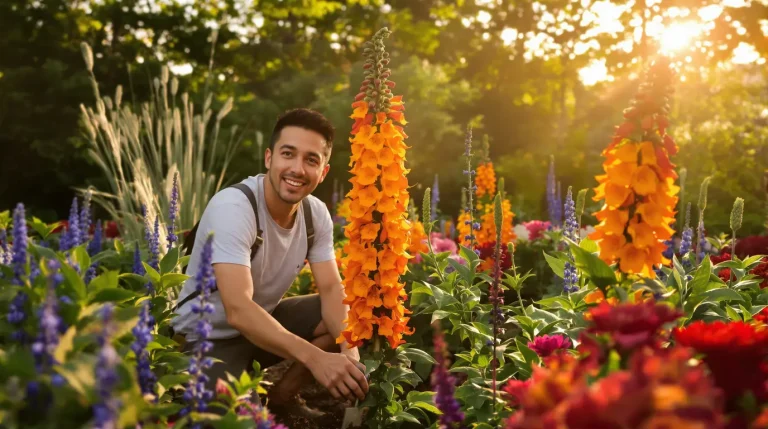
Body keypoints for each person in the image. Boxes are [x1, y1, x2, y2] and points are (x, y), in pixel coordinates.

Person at [170, 108, 368, 417]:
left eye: (311, 160)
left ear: (323, 172)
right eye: (288, 154)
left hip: (262, 328)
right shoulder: (234, 208)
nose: (297, 169)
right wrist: (317, 359)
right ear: (269, 158)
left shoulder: (315, 214)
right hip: (206, 340)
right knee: (236, 420)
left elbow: (331, 289)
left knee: (355, 313)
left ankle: (282, 396)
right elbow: (238, 309)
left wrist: (350, 353)